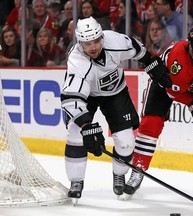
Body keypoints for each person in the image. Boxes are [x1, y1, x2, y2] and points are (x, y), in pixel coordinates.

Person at [60, 16, 171, 201]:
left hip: (115, 93)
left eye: (96, 40)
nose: (93, 46)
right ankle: (76, 181)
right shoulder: (77, 61)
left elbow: (137, 50)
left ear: (102, 37)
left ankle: (119, 174)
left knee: (126, 142)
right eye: (88, 43)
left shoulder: (115, 41)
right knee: (75, 134)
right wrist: (86, 126)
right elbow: (71, 99)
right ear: (80, 43)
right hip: (87, 97)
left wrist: (151, 63)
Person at [122, 27, 193, 200]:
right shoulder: (178, 61)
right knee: (150, 125)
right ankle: (138, 170)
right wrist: (192, 103)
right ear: (190, 49)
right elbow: (173, 92)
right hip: (164, 85)